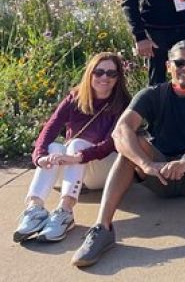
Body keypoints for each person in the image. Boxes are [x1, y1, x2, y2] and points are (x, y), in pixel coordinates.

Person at [71, 40, 185, 268]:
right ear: (168, 66)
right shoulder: (152, 94)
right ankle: (102, 228)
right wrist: (146, 164)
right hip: (158, 174)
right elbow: (121, 130)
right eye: (179, 63)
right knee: (129, 147)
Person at [13, 52, 131, 244]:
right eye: (99, 72)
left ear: (118, 78)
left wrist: (78, 157)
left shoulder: (124, 104)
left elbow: (110, 143)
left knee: (76, 144)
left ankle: (65, 211)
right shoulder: (74, 98)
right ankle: (35, 208)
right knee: (53, 147)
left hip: (102, 169)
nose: (104, 78)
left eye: (111, 74)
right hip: (73, 171)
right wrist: (40, 157)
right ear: (90, 73)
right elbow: (49, 129)